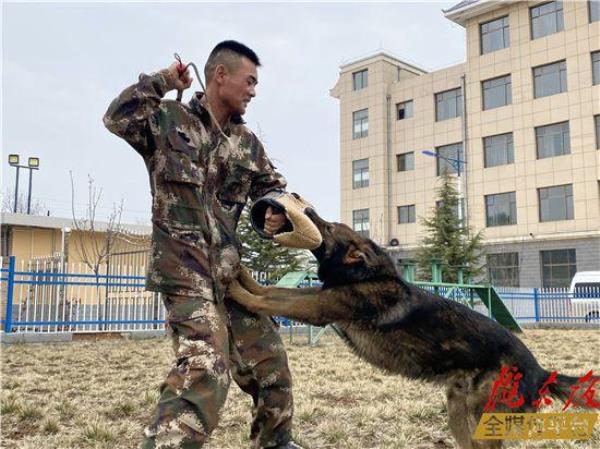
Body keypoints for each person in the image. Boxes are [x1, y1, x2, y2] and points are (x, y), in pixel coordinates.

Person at [104, 40, 304, 449]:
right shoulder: (167, 120)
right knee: (207, 367)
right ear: (220, 75)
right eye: (249, 81)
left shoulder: (246, 144)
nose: (253, 90)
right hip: (183, 271)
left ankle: (275, 442)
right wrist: (162, 80)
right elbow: (116, 117)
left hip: (228, 278)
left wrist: (276, 210)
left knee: (271, 365)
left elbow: (274, 189)